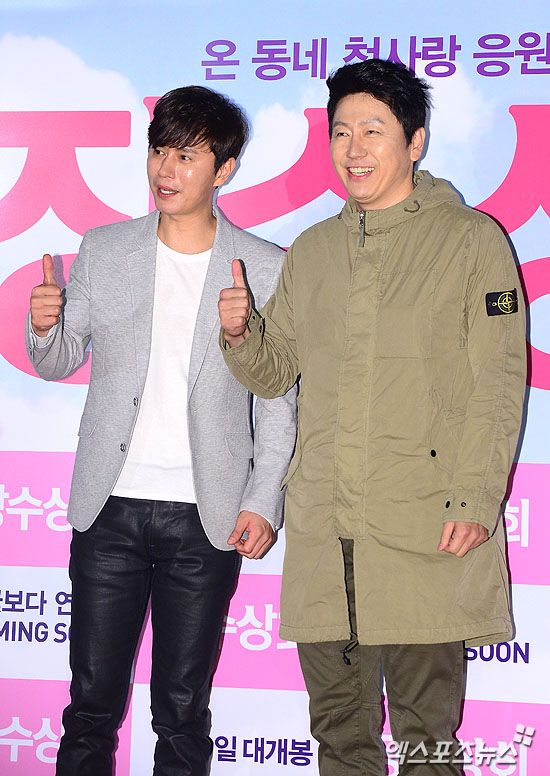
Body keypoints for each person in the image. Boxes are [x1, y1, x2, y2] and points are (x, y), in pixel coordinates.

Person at [219, 59, 526, 775]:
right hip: (327, 533)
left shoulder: (471, 240)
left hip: (425, 527)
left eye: (373, 131)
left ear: (415, 141)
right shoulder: (314, 250)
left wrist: (476, 499)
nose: (353, 149)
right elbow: (275, 371)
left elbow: (499, 380)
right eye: (340, 132)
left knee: (426, 742)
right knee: (340, 740)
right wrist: (240, 333)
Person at [26, 85, 296, 776]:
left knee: (182, 712)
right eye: (158, 151)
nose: (165, 170)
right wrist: (45, 325)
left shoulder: (264, 266)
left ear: (224, 169)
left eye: (186, 156)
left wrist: (264, 501)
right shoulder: (105, 248)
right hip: (109, 508)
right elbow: (57, 362)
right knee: (90, 707)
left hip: (206, 518)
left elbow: (278, 399)